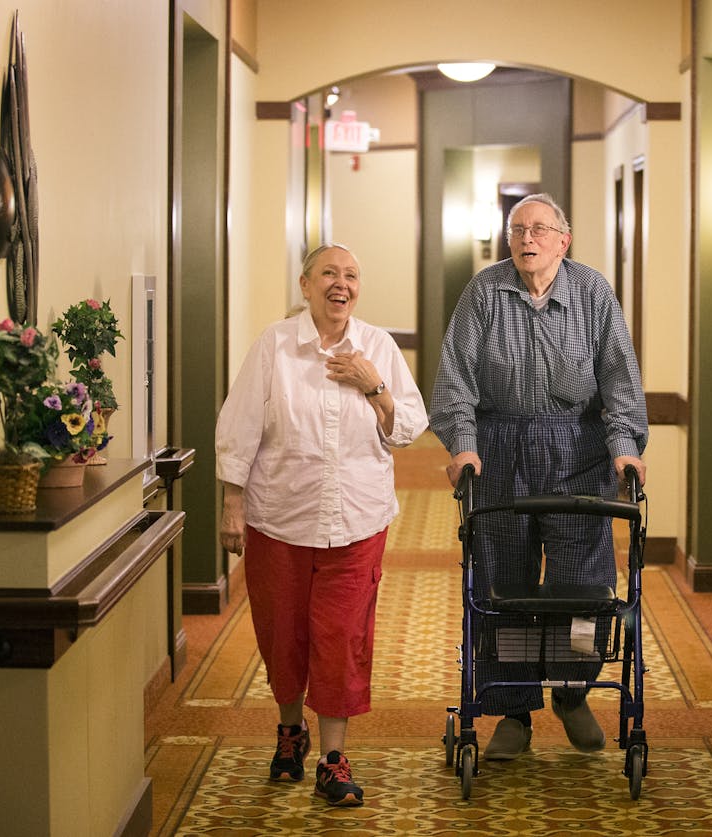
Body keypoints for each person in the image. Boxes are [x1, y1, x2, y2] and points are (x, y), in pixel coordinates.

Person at [429, 193, 648, 761]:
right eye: (518, 229)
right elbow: (454, 377)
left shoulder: (593, 292)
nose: (527, 239)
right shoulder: (485, 292)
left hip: (575, 449)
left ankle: (573, 694)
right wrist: (464, 445)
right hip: (500, 451)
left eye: (540, 230)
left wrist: (624, 449)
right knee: (508, 582)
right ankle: (516, 707)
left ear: (563, 240)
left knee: (581, 582)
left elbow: (620, 380)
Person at [215, 243, 427, 805]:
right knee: (283, 633)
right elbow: (239, 426)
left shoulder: (377, 346)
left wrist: (372, 385)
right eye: (329, 274)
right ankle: (290, 730)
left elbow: (409, 426)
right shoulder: (275, 346)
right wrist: (231, 504)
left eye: (351, 275)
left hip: (356, 520)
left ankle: (334, 758)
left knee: (342, 639)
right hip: (279, 518)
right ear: (306, 285)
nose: (342, 284)